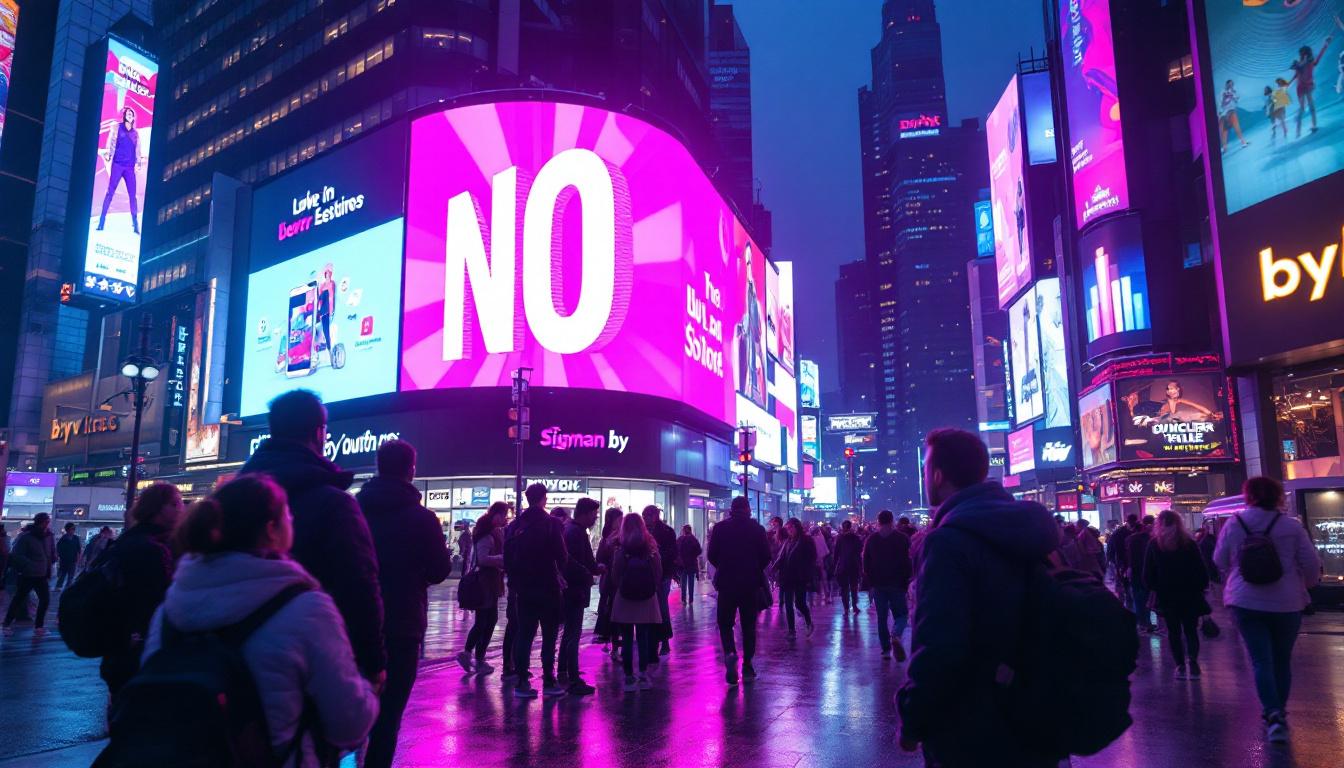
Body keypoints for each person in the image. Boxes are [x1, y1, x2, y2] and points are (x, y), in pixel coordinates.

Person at [140, 475, 378, 764]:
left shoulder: (169, 611)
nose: (292, 519)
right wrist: (367, 688)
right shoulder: (307, 608)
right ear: (271, 530)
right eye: (287, 514)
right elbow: (348, 723)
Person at [897, 429, 1059, 767]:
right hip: (1036, 707)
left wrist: (914, 718)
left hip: (970, 724)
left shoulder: (947, 542)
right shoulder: (1029, 527)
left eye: (927, 468)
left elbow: (939, 644)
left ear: (938, 476)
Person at [240, 390, 386, 686]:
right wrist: (372, 662)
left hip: (238, 665)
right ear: (319, 433)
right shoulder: (334, 503)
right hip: (312, 661)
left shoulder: (233, 498)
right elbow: (359, 584)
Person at [356, 440, 453, 768]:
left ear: (378, 466)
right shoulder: (423, 519)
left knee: (349, 710)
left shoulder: (354, 510)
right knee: (389, 717)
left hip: (355, 620)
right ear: (411, 469)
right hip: (403, 623)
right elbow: (440, 570)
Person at [1213, 477, 1321, 743]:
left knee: (1261, 660)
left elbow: (1219, 559)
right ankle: (1279, 711)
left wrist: (1236, 571)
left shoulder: (1234, 523)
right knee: (1282, 659)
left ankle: (1272, 713)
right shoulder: (1291, 527)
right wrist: (1301, 586)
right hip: (1286, 602)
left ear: (1247, 495)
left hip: (1245, 600)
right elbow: (1311, 564)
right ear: (1277, 496)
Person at [100, 483, 183, 697]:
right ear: (157, 509)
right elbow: (162, 602)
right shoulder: (153, 549)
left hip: (120, 649)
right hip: (142, 651)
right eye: (174, 504)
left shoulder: (127, 540)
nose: (181, 509)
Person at [503, 483, 568, 699]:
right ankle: (549, 680)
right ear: (544, 498)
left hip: (523, 587)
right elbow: (562, 556)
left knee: (525, 633)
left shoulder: (514, 525)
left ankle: (522, 681)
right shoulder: (551, 524)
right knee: (549, 635)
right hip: (547, 585)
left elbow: (507, 558)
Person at [707, 497, 770, 685]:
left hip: (727, 583)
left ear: (731, 510)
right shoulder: (757, 529)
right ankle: (748, 665)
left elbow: (711, 555)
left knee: (725, 623)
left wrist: (724, 566)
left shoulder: (720, 528)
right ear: (748, 509)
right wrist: (754, 568)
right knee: (749, 625)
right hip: (750, 584)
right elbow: (766, 556)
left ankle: (730, 653)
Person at [1142, 510, 1211, 681]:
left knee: (1174, 632)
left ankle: (1180, 666)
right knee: (1190, 630)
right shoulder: (1189, 543)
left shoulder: (1154, 544)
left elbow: (1147, 575)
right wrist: (1201, 588)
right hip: (1190, 594)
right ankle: (1193, 663)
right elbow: (1201, 570)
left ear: (1159, 524)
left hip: (1167, 596)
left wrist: (1155, 587)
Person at [610, 512, 663, 691]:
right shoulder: (649, 545)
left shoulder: (621, 546)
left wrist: (621, 586)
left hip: (625, 596)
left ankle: (628, 676)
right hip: (646, 596)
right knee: (642, 636)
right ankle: (642, 673)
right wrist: (653, 586)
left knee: (626, 638)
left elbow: (615, 573)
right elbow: (658, 570)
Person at [558, 498, 603, 696]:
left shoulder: (570, 530)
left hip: (571, 589)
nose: (595, 518)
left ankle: (563, 671)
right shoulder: (576, 533)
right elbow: (574, 563)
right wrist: (589, 572)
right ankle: (573, 678)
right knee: (572, 634)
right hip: (574, 590)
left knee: (569, 632)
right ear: (585, 513)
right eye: (594, 514)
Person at [460, 502, 508, 673]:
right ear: (495, 515)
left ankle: (475, 656)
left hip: (490, 582)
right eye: (503, 515)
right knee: (484, 621)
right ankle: (472, 655)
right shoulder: (487, 535)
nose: (505, 519)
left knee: (488, 620)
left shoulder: (492, 533)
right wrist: (501, 559)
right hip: (484, 583)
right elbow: (482, 558)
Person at [862, 510, 913, 659]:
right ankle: (896, 634)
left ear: (878, 521)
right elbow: (908, 561)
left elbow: (865, 563)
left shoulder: (871, 539)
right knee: (901, 614)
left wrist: (870, 581)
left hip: (878, 584)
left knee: (882, 617)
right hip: (897, 583)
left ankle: (885, 650)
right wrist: (907, 579)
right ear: (892, 521)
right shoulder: (902, 539)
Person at [2, 513, 53, 637]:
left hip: (41, 574)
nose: (48, 524)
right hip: (29, 574)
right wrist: (29, 565)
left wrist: (49, 565)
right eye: (46, 521)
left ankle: (39, 626)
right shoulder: (26, 538)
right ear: (41, 522)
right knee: (19, 599)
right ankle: (6, 624)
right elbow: (17, 555)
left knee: (44, 599)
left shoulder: (47, 536)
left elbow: (49, 553)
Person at [96, 106, 144, 234]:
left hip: (129, 168)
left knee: (132, 196)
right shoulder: (117, 128)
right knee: (110, 192)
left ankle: (135, 225)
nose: (129, 115)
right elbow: (111, 143)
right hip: (117, 165)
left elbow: (138, 150)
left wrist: (138, 162)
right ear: (125, 116)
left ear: (133, 117)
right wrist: (108, 155)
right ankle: (102, 221)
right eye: (127, 113)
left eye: (131, 114)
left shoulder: (135, 133)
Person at [642, 505, 678, 659]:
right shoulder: (647, 531)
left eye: (647, 516)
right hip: (655, 573)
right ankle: (659, 640)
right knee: (658, 607)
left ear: (654, 516)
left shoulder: (664, 532)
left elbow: (672, 552)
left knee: (661, 607)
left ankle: (662, 640)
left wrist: (656, 556)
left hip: (661, 574)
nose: (645, 519)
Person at [774, 518, 816, 637]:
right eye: (788, 528)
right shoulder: (788, 541)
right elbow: (781, 557)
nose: (790, 530)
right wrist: (775, 567)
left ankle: (809, 622)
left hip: (800, 577)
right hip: (787, 577)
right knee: (788, 604)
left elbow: (812, 558)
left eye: (791, 527)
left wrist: (808, 573)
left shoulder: (806, 540)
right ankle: (791, 630)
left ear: (797, 527)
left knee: (799, 603)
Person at [1289, 37, 1334, 137]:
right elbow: (1294, 71)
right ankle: (1298, 131)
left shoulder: (1311, 62)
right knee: (1302, 108)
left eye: (1305, 53)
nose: (1304, 55)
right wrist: (1289, 83)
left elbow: (1319, 57)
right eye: (1303, 53)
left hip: (1308, 85)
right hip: (1301, 88)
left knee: (1311, 106)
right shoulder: (1297, 64)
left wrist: (1325, 45)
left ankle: (1314, 126)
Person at [593, 507, 623, 646]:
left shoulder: (622, 535)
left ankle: (614, 633)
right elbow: (600, 557)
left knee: (613, 603)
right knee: (607, 603)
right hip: (609, 576)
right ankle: (608, 632)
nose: (621, 522)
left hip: (616, 576)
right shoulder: (607, 537)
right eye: (619, 519)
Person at [1127, 516, 1158, 633]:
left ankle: (1142, 622)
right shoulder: (1151, 539)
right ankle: (1146, 622)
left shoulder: (1131, 538)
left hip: (1135, 571)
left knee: (1138, 597)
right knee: (1145, 597)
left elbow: (1128, 556)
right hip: (1144, 571)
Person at [832, 520, 863, 614]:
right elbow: (859, 551)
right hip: (854, 565)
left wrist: (834, 566)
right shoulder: (856, 538)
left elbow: (836, 553)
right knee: (853, 588)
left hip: (843, 566)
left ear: (842, 527)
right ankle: (854, 606)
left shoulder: (839, 538)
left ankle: (846, 608)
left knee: (844, 588)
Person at [1107, 514, 1137, 604]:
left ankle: (1124, 601)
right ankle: (1128, 599)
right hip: (1127, 561)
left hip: (1121, 561)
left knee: (1122, 582)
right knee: (1126, 582)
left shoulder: (1118, 532)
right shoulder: (1134, 532)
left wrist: (1110, 559)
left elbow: (1111, 547)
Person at [1218, 79, 1249, 150]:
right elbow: (1222, 103)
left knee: (1236, 126)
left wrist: (1234, 96)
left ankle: (1243, 142)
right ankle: (1224, 147)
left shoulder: (1232, 92)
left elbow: (1236, 100)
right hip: (1224, 113)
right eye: (1230, 84)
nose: (1231, 85)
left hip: (1231, 110)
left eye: (1232, 84)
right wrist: (1228, 97)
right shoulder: (1223, 92)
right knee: (1225, 130)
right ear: (1227, 84)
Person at [676, 524, 702, 605]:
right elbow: (699, 551)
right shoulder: (693, 539)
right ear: (690, 530)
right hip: (691, 564)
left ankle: (683, 599)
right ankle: (691, 599)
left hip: (682, 565)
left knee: (683, 583)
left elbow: (676, 551)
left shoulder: (680, 539)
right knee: (691, 583)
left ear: (683, 530)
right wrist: (693, 555)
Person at [55, 522, 82, 591]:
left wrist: (79, 558)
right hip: (64, 560)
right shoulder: (63, 539)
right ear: (67, 529)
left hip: (73, 560)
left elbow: (79, 549)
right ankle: (58, 586)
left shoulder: (76, 538)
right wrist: (58, 557)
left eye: (73, 529)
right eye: (71, 529)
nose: (73, 530)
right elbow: (58, 549)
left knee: (71, 575)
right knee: (62, 574)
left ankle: (68, 588)